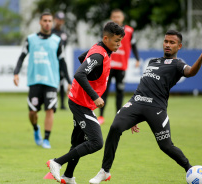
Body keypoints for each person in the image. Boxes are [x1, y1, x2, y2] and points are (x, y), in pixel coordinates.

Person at [89, 30, 202, 183]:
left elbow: (191, 72)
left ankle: (190, 169)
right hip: (136, 102)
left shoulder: (178, 65)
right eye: (166, 41)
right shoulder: (152, 61)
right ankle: (104, 171)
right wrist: (132, 116)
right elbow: (144, 85)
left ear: (179, 46)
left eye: (172, 42)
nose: (167, 45)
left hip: (156, 108)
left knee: (166, 146)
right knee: (115, 127)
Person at [46, 22, 125, 184]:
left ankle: (68, 176)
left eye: (120, 41)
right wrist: (95, 96)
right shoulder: (99, 55)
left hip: (81, 101)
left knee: (77, 142)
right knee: (96, 142)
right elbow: (80, 74)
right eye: (117, 41)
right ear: (106, 38)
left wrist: (93, 75)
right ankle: (56, 162)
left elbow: (83, 58)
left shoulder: (100, 49)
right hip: (80, 103)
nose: (119, 44)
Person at [13, 12, 71, 149]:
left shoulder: (57, 41)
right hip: (34, 81)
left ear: (52, 22)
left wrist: (69, 81)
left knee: (49, 110)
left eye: (50, 21)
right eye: (45, 20)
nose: (47, 23)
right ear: (40, 22)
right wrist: (16, 73)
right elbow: (22, 56)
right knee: (32, 112)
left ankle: (46, 139)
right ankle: (35, 128)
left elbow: (63, 62)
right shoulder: (30, 39)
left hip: (51, 81)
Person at [98, 9, 140, 125]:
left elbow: (134, 45)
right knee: (104, 91)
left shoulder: (130, 31)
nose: (116, 18)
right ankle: (101, 116)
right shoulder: (107, 30)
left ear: (122, 18)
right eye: (114, 16)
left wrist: (137, 58)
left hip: (121, 66)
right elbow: (100, 44)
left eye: (118, 16)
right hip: (108, 65)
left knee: (120, 92)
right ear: (111, 18)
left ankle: (118, 116)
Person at [52, 11, 72, 110]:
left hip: (61, 60)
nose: (59, 22)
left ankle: (62, 104)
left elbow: (65, 46)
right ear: (55, 19)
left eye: (61, 20)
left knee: (62, 82)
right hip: (52, 61)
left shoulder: (64, 34)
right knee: (52, 82)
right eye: (58, 19)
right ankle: (51, 102)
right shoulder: (51, 32)